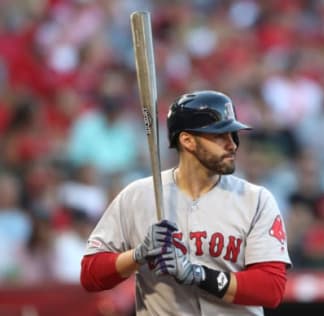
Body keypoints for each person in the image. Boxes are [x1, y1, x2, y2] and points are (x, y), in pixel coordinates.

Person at [80, 90, 291, 315]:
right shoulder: (138, 196)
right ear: (187, 140)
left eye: (233, 135)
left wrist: (198, 274)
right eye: (220, 135)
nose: (232, 145)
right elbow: (90, 276)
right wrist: (137, 255)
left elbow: (271, 288)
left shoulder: (256, 200)